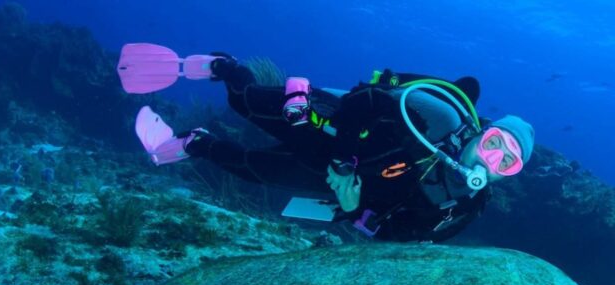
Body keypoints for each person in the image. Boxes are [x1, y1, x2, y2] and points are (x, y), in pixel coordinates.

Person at [118, 44, 535, 242]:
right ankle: (223, 67)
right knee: (245, 103)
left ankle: (194, 143)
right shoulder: (438, 115)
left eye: (508, 162)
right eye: (496, 143)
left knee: (253, 169)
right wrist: (346, 159)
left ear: (508, 175)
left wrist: (354, 207)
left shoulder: (464, 207)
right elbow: (365, 100)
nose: (493, 158)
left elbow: (402, 235)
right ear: (483, 131)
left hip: (336, 185)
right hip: (329, 127)